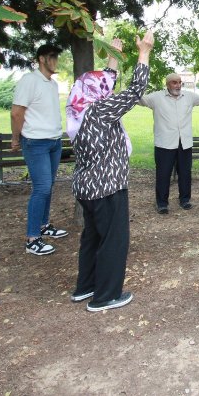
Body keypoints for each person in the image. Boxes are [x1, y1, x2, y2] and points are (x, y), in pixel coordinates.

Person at [65, 32, 154, 312]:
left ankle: (86, 287)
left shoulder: (77, 111)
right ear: (97, 93)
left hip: (86, 188)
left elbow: (103, 84)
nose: (108, 89)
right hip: (107, 186)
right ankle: (105, 296)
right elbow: (135, 91)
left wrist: (113, 60)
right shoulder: (100, 111)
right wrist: (144, 53)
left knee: (92, 238)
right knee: (114, 240)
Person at [139, 75, 199, 214]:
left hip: (184, 143)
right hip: (164, 144)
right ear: (167, 84)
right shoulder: (156, 98)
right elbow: (139, 100)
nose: (178, 85)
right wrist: (132, 90)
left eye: (179, 83)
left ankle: (185, 200)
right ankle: (162, 204)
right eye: (174, 83)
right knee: (163, 174)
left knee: (185, 173)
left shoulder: (189, 97)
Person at [11, 43, 68, 256]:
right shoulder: (29, 80)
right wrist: (16, 138)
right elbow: (17, 113)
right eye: (52, 56)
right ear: (42, 59)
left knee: (49, 185)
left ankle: (44, 225)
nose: (56, 61)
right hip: (36, 142)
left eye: (57, 57)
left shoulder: (52, 84)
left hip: (54, 141)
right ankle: (32, 238)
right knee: (42, 188)